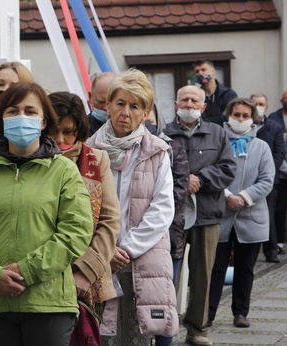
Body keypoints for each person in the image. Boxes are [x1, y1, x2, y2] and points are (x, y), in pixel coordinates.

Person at [0, 82, 93, 346]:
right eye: (13, 111)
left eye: (30, 111)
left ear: (43, 121)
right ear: (0, 121)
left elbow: (76, 231)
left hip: (48, 303)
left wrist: (28, 270)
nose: (21, 118)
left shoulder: (63, 170)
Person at [87, 69, 178, 346]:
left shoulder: (157, 151)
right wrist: (104, 248)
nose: (126, 112)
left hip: (142, 257)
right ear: (108, 106)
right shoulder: (88, 150)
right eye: (120, 103)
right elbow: (80, 208)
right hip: (98, 256)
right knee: (101, 333)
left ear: (145, 112)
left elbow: (162, 209)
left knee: (139, 333)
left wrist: (126, 248)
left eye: (135, 106)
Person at [164, 85, 236, 346]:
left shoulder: (217, 133)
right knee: (168, 273)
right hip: (173, 215)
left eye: (195, 100)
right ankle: (165, 328)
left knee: (203, 275)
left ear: (204, 107)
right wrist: (184, 180)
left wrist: (201, 179)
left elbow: (228, 169)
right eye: (185, 99)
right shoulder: (164, 134)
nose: (190, 103)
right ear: (175, 103)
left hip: (207, 213)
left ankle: (197, 330)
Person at [48, 91, 121, 319]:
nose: (60, 140)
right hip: (44, 274)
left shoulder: (97, 160)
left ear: (79, 131)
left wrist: (85, 271)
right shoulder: (33, 160)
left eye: (68, 132)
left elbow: (109, 221)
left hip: (88, 277)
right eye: (54, 131)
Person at [208, 98, 274, 328]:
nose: (240, 119)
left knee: (246, 268)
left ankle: (240, 312)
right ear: (228, 116)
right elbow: (211, 171)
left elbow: (267, 180)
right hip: (221, 213)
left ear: (253, 119)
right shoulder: (217, 142)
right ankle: (209, 313)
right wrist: (227, 196)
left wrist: (243, 197)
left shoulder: (261, 146)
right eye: (236, 114)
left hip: (251, 216)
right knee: (215, 267)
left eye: (245, 116)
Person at [146, 104, 190, 346]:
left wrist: (145, 219)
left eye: (147, 116)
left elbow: (177, 195)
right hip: (125, 240)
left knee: (163, 300)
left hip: (167, 236)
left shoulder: (173, 149)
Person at [251, 93, 285, 263]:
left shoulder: (275, 127)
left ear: (267, 106)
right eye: (255, 103)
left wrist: (268, 171)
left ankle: (271, 251)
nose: (258, 106)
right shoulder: (244, 125)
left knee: (268, 213)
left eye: (261, 103)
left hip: (268, 180)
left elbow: (279, 153)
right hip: (247, 178)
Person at [268, 89, 287, 252]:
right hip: (283, 175)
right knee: (280, 210)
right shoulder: (276, 122)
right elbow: (279, 152)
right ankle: (280, 242)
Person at [193, 59, 237, 126]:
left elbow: (230, 117)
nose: (200, 73)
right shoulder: (195, 97)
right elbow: (196, 120)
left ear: (213, 71)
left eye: (203, 70)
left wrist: (205, 121)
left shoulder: (228, 94)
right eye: (197, 71)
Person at [88, 72, 117, 136]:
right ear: (90, 97)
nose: (106, 108)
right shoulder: (80, 130)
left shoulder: (136, 128)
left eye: (112, 103)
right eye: (101, 102)